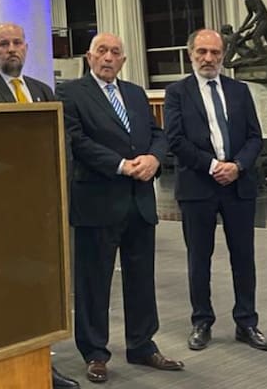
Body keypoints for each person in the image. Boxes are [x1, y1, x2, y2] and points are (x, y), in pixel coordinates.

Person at [57, 33, 182, 384]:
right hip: (97, 201)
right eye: (102, 51)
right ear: (89, 56)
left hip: (139, 202)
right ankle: (95, 353)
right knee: (93, 282)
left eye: (115, 52)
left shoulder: (135, 93)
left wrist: (154, 158)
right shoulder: (71, 93)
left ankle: (142, 345)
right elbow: (77, 141)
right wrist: (122, 165)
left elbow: (158, 134)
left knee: (142, 279)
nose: (108, 57)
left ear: (123, 60)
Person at [0, 21, 79, 389]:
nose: (11, 49)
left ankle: (44, 365)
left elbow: (61, 146)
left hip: (44, 212)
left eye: (17, 43)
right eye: (3, 44)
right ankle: (8, 369)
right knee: (5, 291)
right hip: (3, 213)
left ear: (27, 48)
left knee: (41, 293)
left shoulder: (43, 91)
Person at [164, 28, 267, 353]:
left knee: (244, 258)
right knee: (200, 258)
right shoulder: (177, 92)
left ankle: (247, 322)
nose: (208, 58)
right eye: (202, 52)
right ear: (191, 54)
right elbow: (175, 140)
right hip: (198, 187)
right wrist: (213, 166)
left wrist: (237, 166)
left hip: (238, 186)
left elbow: (255, 137)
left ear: (223, 55)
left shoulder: (239, 90)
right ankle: (202, 320)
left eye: (215, 52)